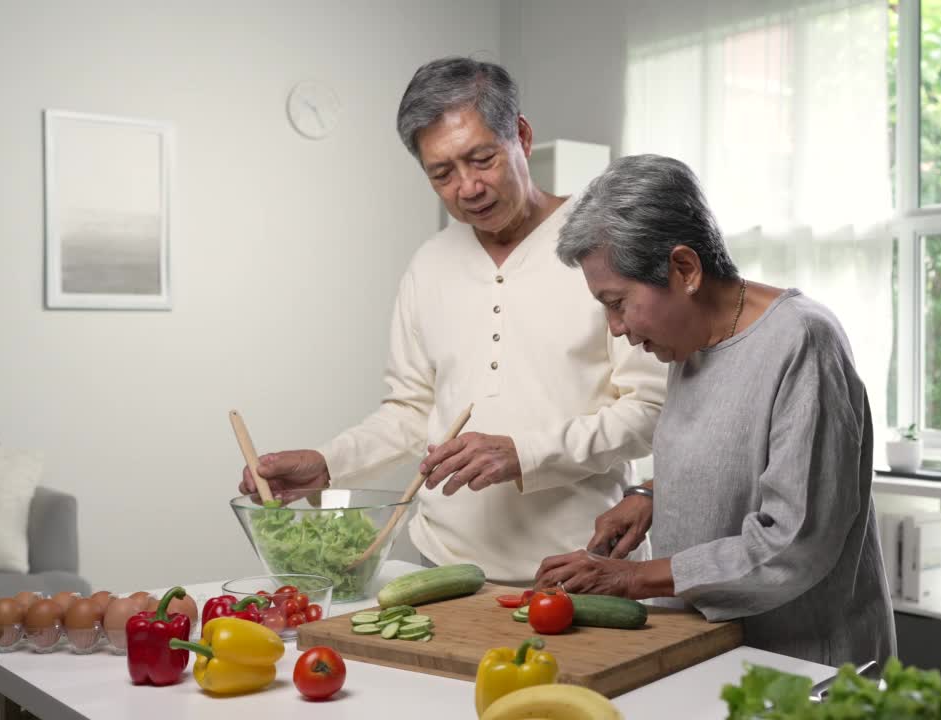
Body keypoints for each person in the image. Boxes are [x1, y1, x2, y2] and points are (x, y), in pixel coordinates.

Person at [238, 58, 666, 585]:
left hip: (580, 565)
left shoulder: (604, 249)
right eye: (442, 173)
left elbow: (649, 411)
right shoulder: (429, 263)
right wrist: (328, 464)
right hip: (441, 567)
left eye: (481, 158)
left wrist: (523, 454)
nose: (468, 188)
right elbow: (411, 412)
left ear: (522, 136)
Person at [535, 154, 895, 668]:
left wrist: (634, 577)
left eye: (618, 302)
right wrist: (649, 494)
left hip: (797, 665)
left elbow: (792, 541)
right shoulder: (689, 344)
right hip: (707, 651)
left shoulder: (803, 342)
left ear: (684, 269)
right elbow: (737, 455)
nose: (615, 327)